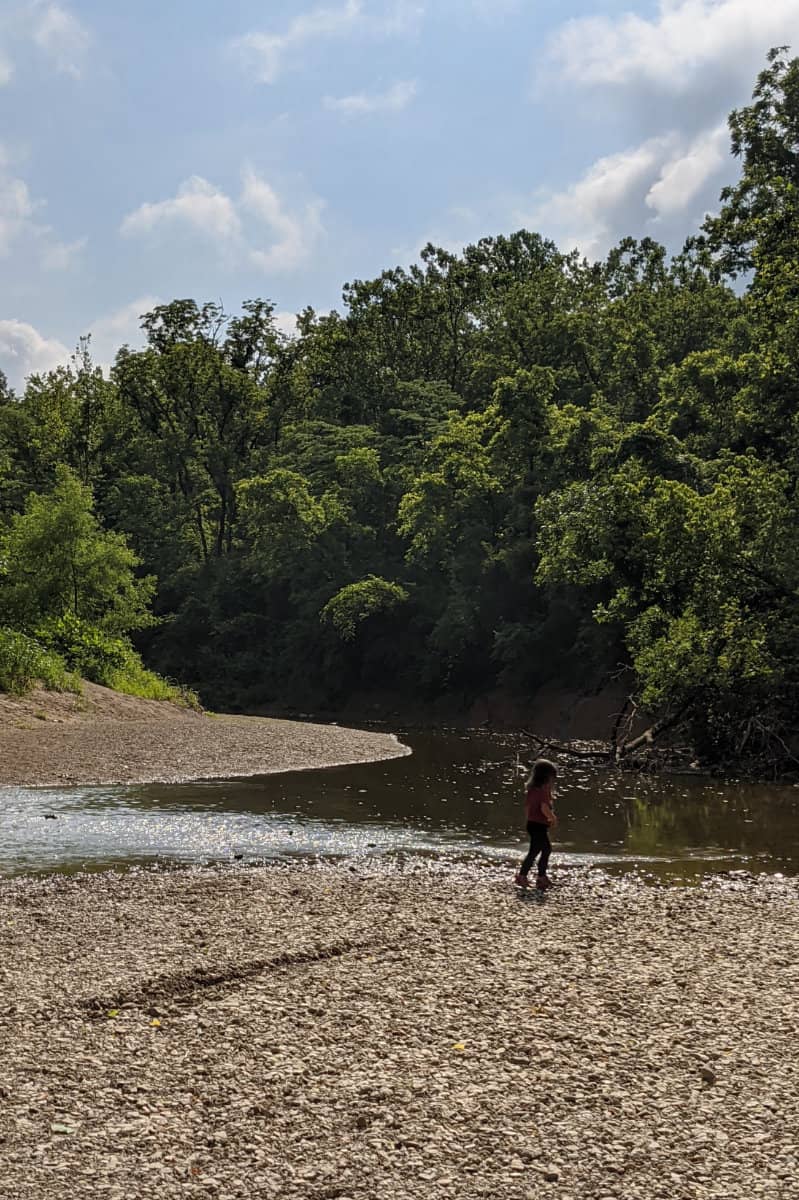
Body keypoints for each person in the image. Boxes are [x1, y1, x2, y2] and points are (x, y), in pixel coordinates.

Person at [515, 758, 557, 891]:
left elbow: (527, 808)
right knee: (538, 851)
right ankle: (530, 876)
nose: (552, 781)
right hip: (539, 826)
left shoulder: (532, 790)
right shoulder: (542, 792)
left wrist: (529, 819)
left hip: (532, 824)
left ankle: (539, 876)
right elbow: (544, 808)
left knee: (542, 850)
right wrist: (552, 818)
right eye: (552, 778)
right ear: (546, 778)